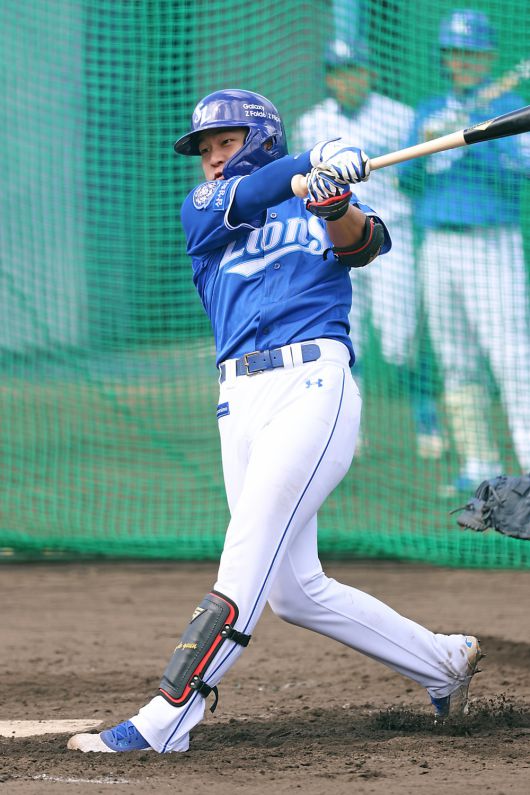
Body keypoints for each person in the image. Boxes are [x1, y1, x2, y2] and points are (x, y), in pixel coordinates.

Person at [68, 88, 482, 754]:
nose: (211, 157)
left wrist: (334, 203)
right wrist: (313, 159)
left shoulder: (310, 197)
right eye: (205, 148)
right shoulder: (203, 208)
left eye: (225, 142)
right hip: (238, 403)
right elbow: (257, 189)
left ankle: (169, 716)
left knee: (245, 556)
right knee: (294, 591)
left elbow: (367, 245)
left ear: (259, 139)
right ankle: (442, 661)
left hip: (310, 387)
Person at [292, 38, 445, 459]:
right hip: (336, 240)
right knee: (343, 336)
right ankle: (347, 429)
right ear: (329, 78)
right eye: (339, 72)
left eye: (355, 69)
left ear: (370, 73)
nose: (348, 79)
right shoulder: (313, 122)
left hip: (389, 236)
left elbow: (417, 178)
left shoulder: (398, 115)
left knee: (401, 337)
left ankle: (426, 420)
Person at [399, 9, 530, 496]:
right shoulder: (430, 110)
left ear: (488, 57)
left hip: (491, 242)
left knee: (512, 356)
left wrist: (477, 136)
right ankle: (479, 462)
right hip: (438, 245)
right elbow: (408, 182)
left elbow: (523, 172)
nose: (463, 61)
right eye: (455, 53)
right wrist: (430, 142)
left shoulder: (512, 107)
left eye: (471, 53)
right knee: (455, 357)